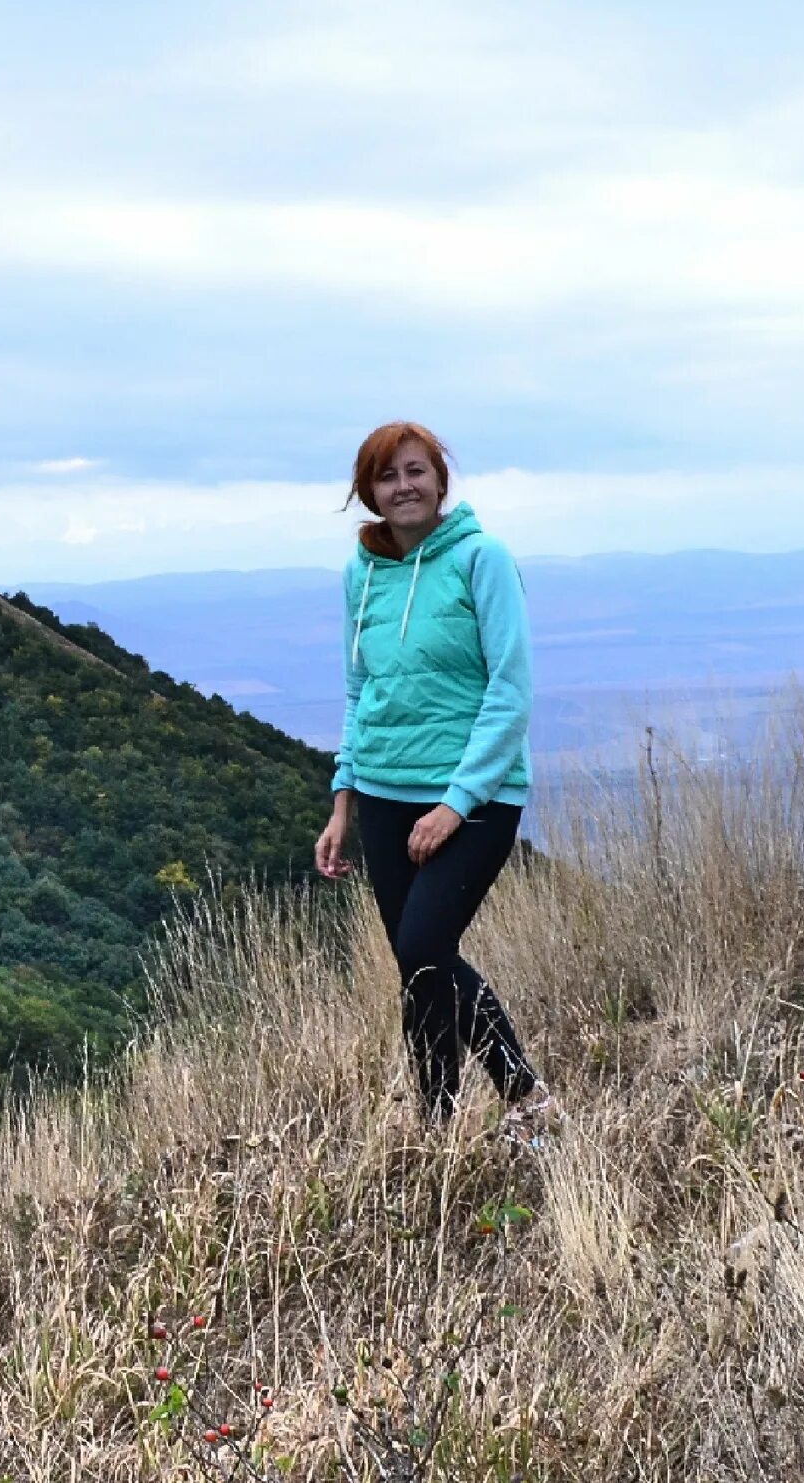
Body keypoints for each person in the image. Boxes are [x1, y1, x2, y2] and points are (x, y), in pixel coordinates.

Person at [312, 421, 557, 1135]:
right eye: (388, 477)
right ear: (370, 493)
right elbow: (360, 691)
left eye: (416, 471)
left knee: (424, 946)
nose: (404, 486)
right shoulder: (361, 572)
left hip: (477, 795)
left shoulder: (482, 559)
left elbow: (511, 691)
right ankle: (437, 1128)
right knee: (418, 972)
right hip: (385, 791)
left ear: (440, 481)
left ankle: (527, 1097)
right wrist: (342, 801)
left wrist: (455, 803)